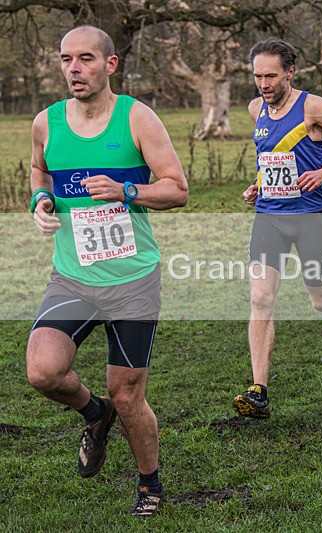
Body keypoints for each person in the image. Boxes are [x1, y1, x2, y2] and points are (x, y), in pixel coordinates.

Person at [27, 26, 188, 517]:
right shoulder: (47, 122)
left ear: (111, 64)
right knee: (43, 371)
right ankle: (95, 413)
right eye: (66, 59)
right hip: (72, 277)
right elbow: (39, 171)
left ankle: (149, 482)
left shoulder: (136, 118)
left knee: (128, 392)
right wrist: (40, 199)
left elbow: (178, 189)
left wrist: (127, 191)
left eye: (86, 58)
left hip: (132, 282)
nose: (74, 69)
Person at [234, 38, 322, 419]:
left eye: (271, 76)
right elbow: (272, 156)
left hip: (311, 217)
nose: (263, 84)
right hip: (269, 217)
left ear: (290, 72)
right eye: (257, 76)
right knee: (261, 298)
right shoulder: (255, 109)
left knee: (321, 299)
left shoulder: (312, 107)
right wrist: (258, 184)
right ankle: (259, 390)